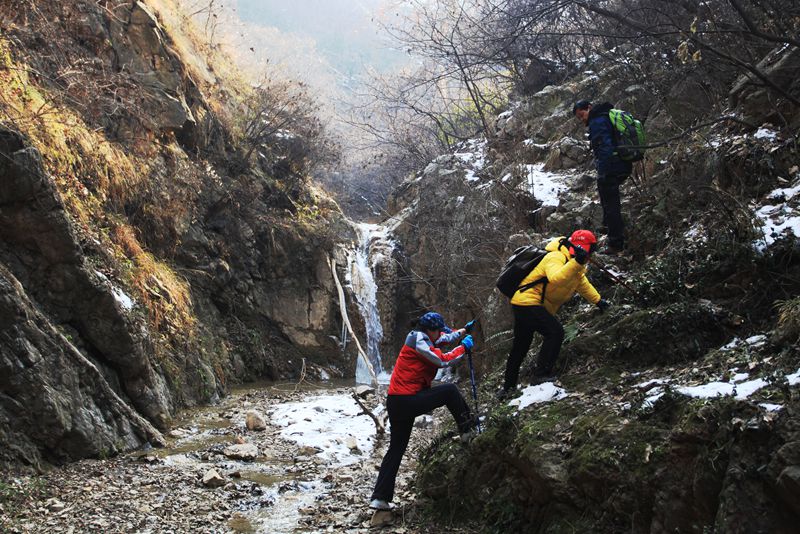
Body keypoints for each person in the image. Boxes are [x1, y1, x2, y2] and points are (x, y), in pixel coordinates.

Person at [369, 312, 476, 511]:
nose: (441, 335)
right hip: (406, 400)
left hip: (398, 400)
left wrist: (463, 331)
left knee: (396, 449)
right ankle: (468, 430)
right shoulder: (419, 341)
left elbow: (445, 337)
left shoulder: (424, 335)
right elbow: (442, 360)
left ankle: (380, 498)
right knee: (450, 391)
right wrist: (463, 348)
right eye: (438, 331)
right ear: (430, 330)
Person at [498, 230, 610, 399]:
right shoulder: (555, 257)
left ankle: (508, 388)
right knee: (555, 332)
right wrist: (578, 262)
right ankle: (541, 375)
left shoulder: (574, 263)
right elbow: (556, 278)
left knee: (520, 347)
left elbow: (582, 284)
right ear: (580, 247)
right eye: (590, 250)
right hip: (527, 302)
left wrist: (598, 301)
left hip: (525, 304)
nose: (590, 254)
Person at [573, 100, 632, 254]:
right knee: (609, 202)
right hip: (619, 165)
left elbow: (604, 148)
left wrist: (604, 173)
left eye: (582, 114)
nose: (582, 119)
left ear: (589, 108)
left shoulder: (597, 121)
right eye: (579, 118)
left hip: (611, 167)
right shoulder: (604, 116)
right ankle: (610, 232)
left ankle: (615, 244)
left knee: (611, 205)